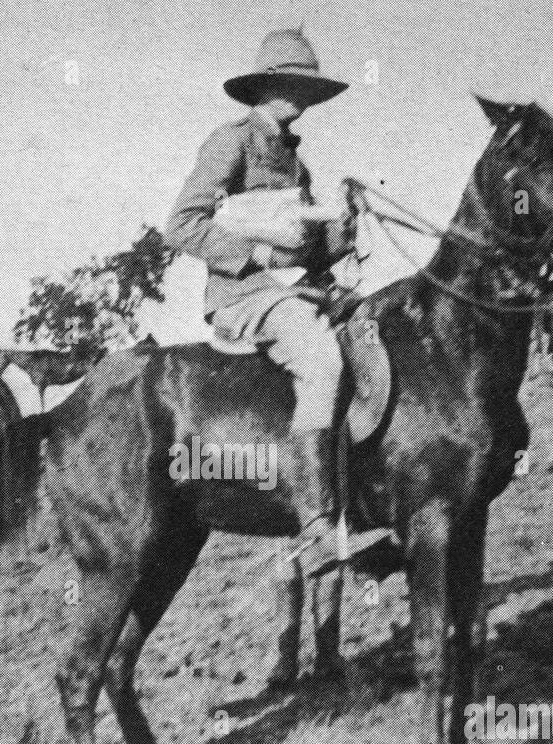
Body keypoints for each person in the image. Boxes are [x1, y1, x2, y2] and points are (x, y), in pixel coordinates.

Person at [165, 27, 357, 563]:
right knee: (321, 362)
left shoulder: (298, 165)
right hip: (244, 294)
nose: (305, 97)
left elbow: (306, 255)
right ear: (268, 86)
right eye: (298, 84)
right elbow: (181, 225)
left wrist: (341, 232)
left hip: (296, 291)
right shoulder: (231, 142)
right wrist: (258, 257)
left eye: (309, 88)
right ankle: (317, 524)